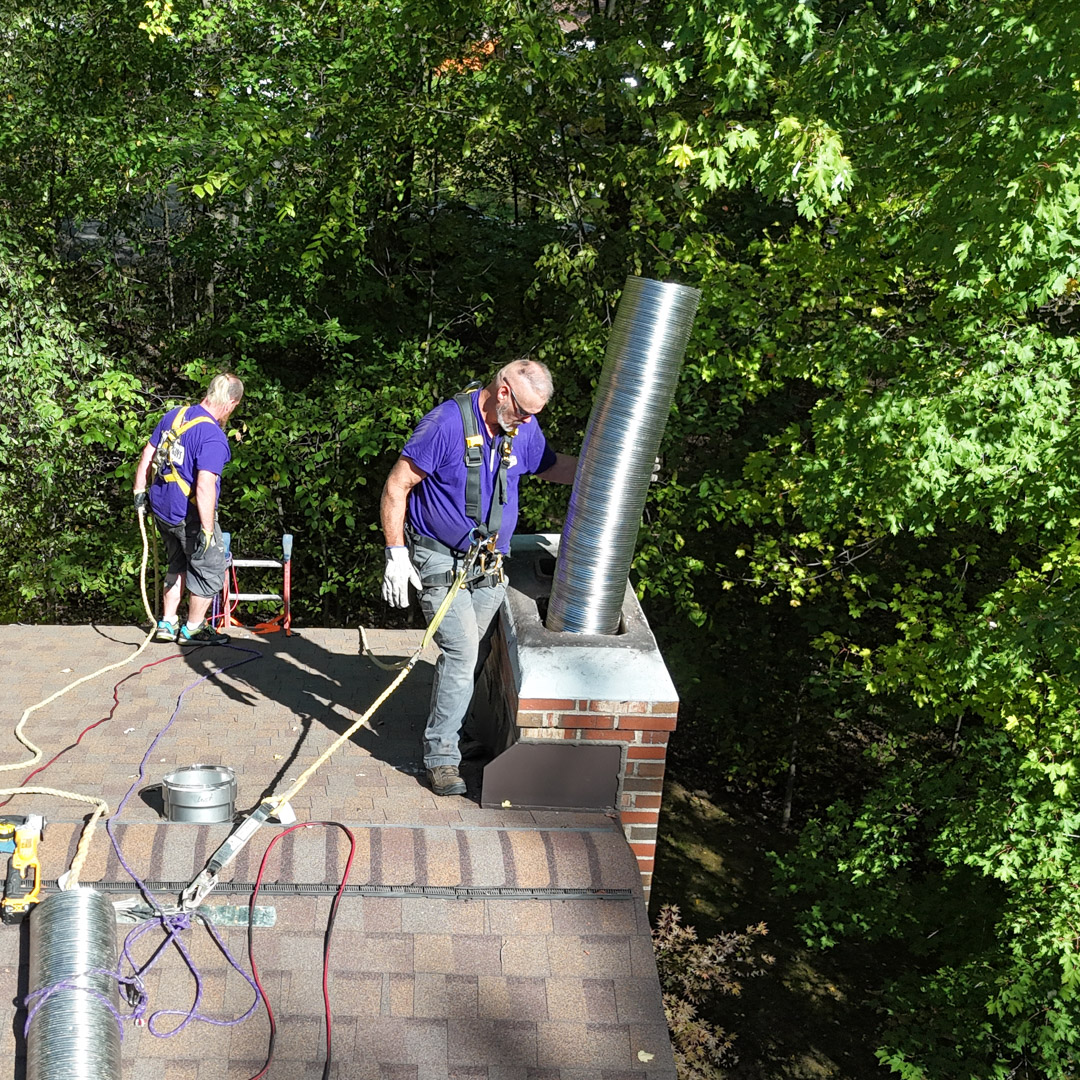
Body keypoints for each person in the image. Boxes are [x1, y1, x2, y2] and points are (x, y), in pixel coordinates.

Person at [380, 357, 577, 796]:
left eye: (535, 416)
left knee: (481, 646)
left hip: (488, 564)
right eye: (524, 411)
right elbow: (398, 485)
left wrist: (602, 472)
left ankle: (460, 730)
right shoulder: (446, 425)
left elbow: (547, 465)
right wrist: (396, 554)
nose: (528, 422)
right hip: (440, 560)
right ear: (502, 390)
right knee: (463, 650)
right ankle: (441, 758)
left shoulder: (521, 430)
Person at [132, 373, 244, 645]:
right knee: (210, 567)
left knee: (177, 563)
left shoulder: (175, 416)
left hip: (163, 510)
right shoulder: (213, 437)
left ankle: (168, 623)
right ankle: (193, 628)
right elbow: (205, 485)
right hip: (189, 514)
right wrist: (207, 530)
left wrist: (139, 492)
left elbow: (148, 453)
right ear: (230, 402)